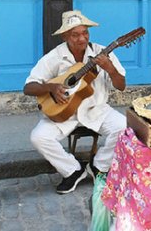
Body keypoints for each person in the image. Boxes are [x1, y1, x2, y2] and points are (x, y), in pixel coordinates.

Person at [24, 10, 126, 194]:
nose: (82, 39)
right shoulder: (55, 56)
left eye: (85, 33)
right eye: (75, 35)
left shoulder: (101, 53)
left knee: (125, 128)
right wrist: (51, 88)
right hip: (65, 112)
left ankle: (99, 166)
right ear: (65, 36)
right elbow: (28, 87)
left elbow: (121, 86)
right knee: (38, 137)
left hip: (97, 109)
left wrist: (110, 69)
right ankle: (72, 170)